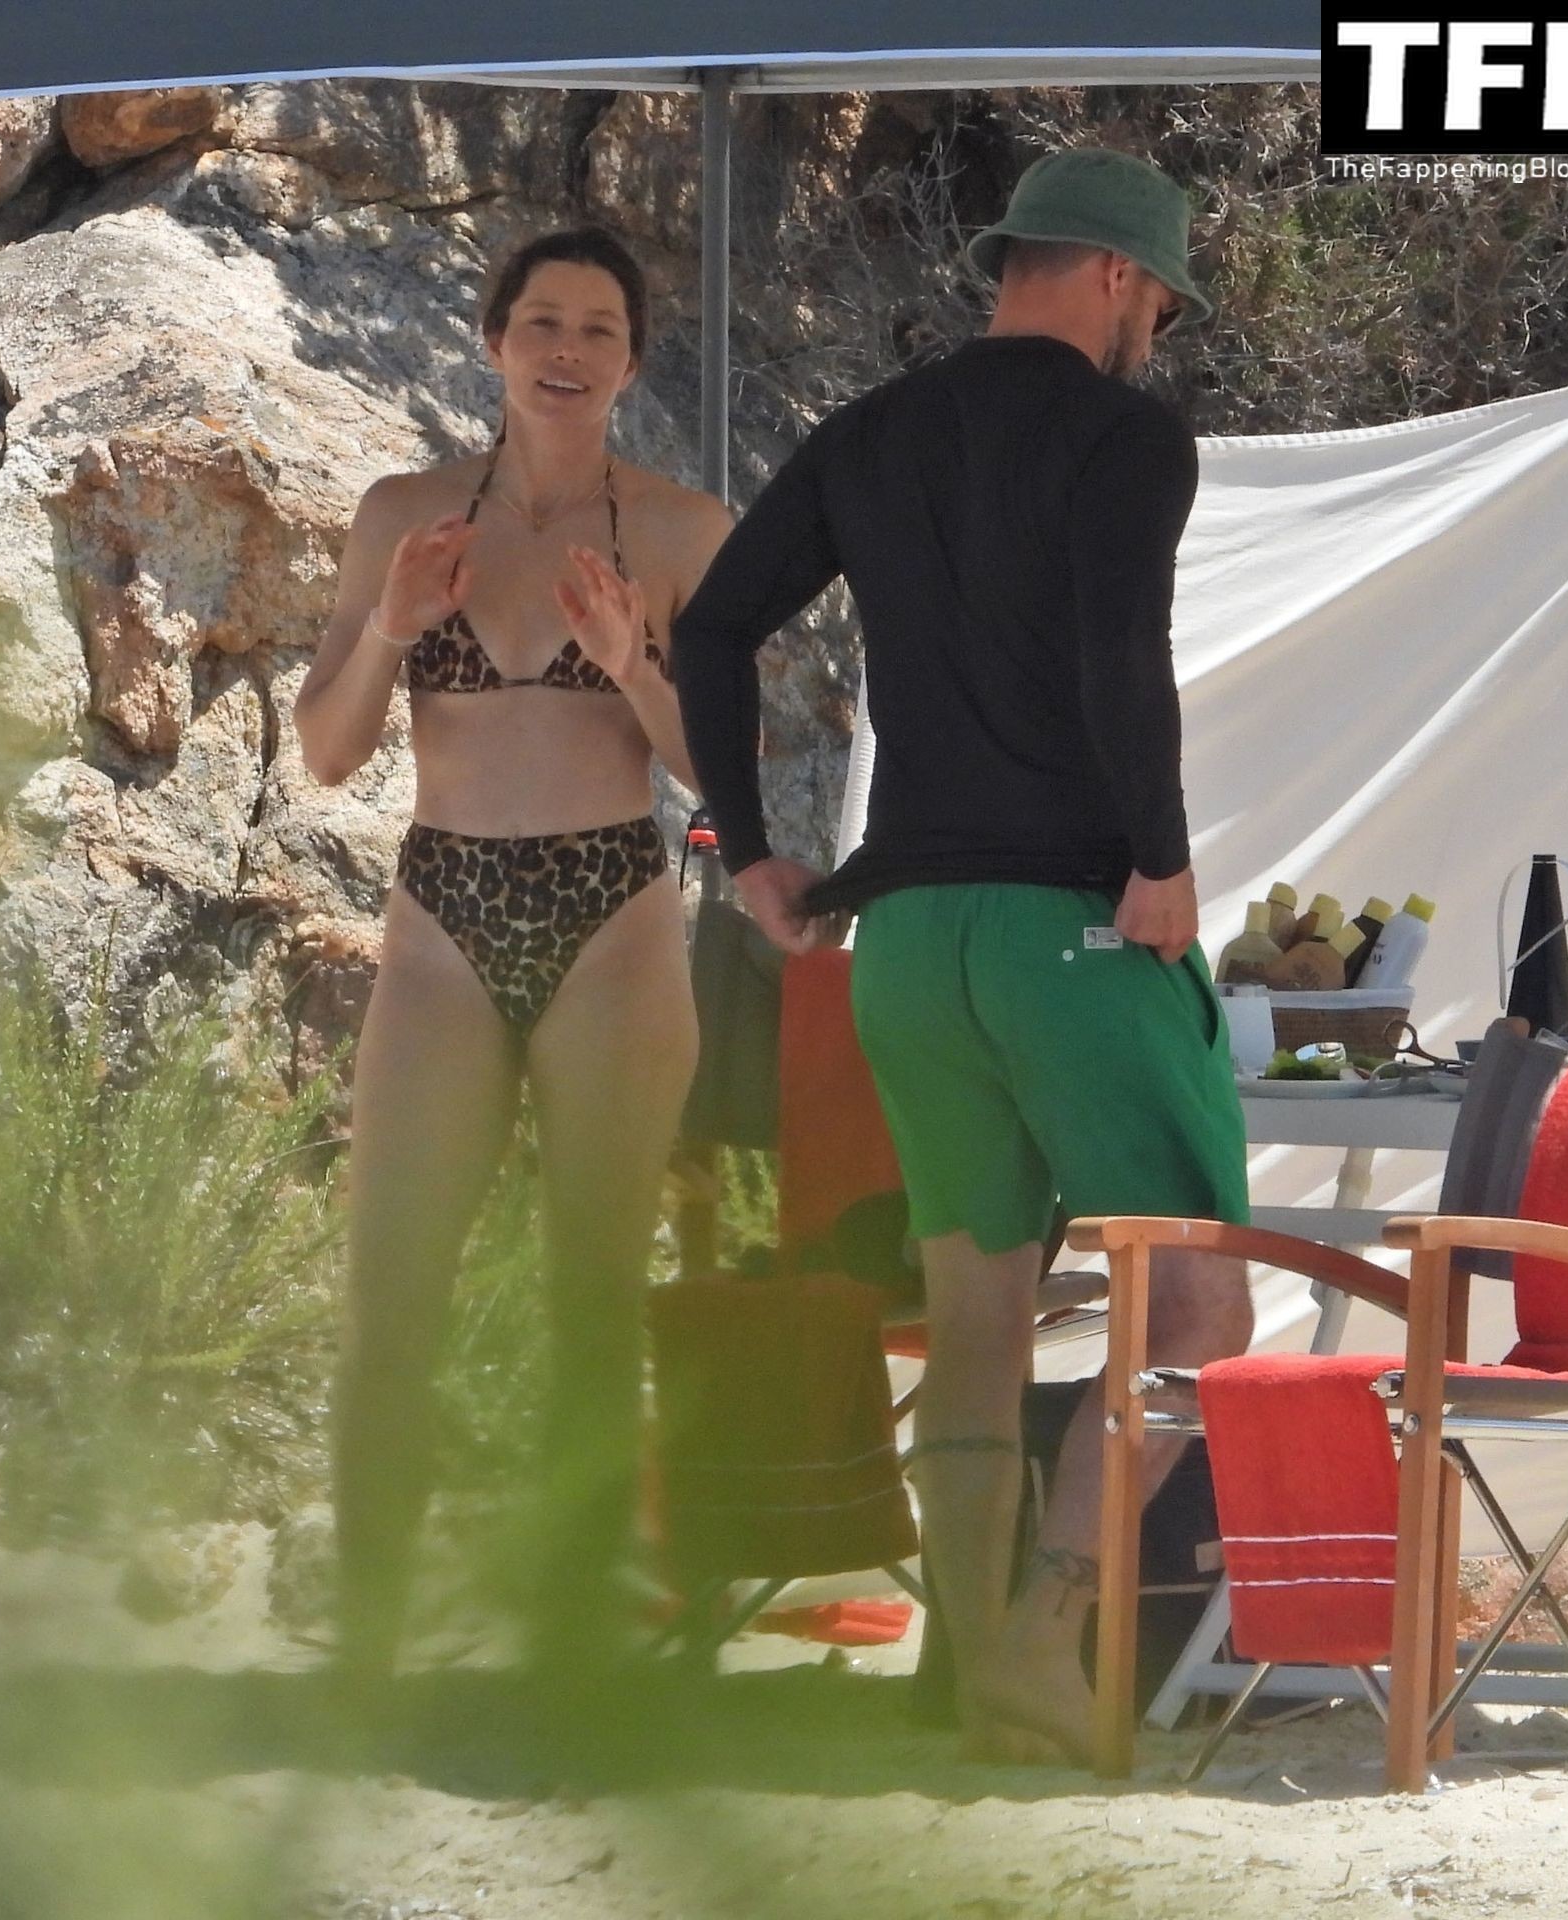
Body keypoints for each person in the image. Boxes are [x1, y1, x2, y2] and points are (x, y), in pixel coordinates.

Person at [671, 149, 1254, 1763]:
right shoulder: (1126, 435)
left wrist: (748, 850)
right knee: (1193, 1310)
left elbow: (712, 626)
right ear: (1119, 278)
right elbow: (1117, 648)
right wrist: (1159, 860)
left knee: (979, 1318)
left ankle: (965, 1665)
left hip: (906, 945)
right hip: (1069, 924)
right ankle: (1044, 1644)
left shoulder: (869, 431)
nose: (1153, 332)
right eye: (1160, 303)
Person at [295, 225, 732, 1682]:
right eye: (542, 321)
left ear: (631, 362)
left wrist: (633, 666)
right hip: (443, 913)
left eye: (599, 328)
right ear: (494, 342)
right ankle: (365, 1654)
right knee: (391, 1298)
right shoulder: (406, 514)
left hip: (611, 912)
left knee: (592, 1300)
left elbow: (723, 775)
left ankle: (572, 1654)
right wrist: (391, 628)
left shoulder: (680, 531)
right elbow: (327, 752)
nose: (567, 350)